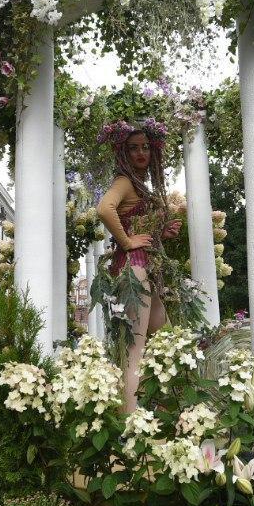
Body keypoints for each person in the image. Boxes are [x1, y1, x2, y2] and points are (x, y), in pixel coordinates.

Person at [96, 120, 180, 411]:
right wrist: (127, 240)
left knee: (166, 343)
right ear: (123, 152)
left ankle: (167, 415)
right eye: (133, 148)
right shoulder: (124, 181)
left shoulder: (139, 184)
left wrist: (160, 232)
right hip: (134, 270)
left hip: (147, 271)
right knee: (135, 349)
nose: (141, 153)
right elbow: (104, 208)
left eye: (146, 147)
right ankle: (131, 428)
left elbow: (134, 220)